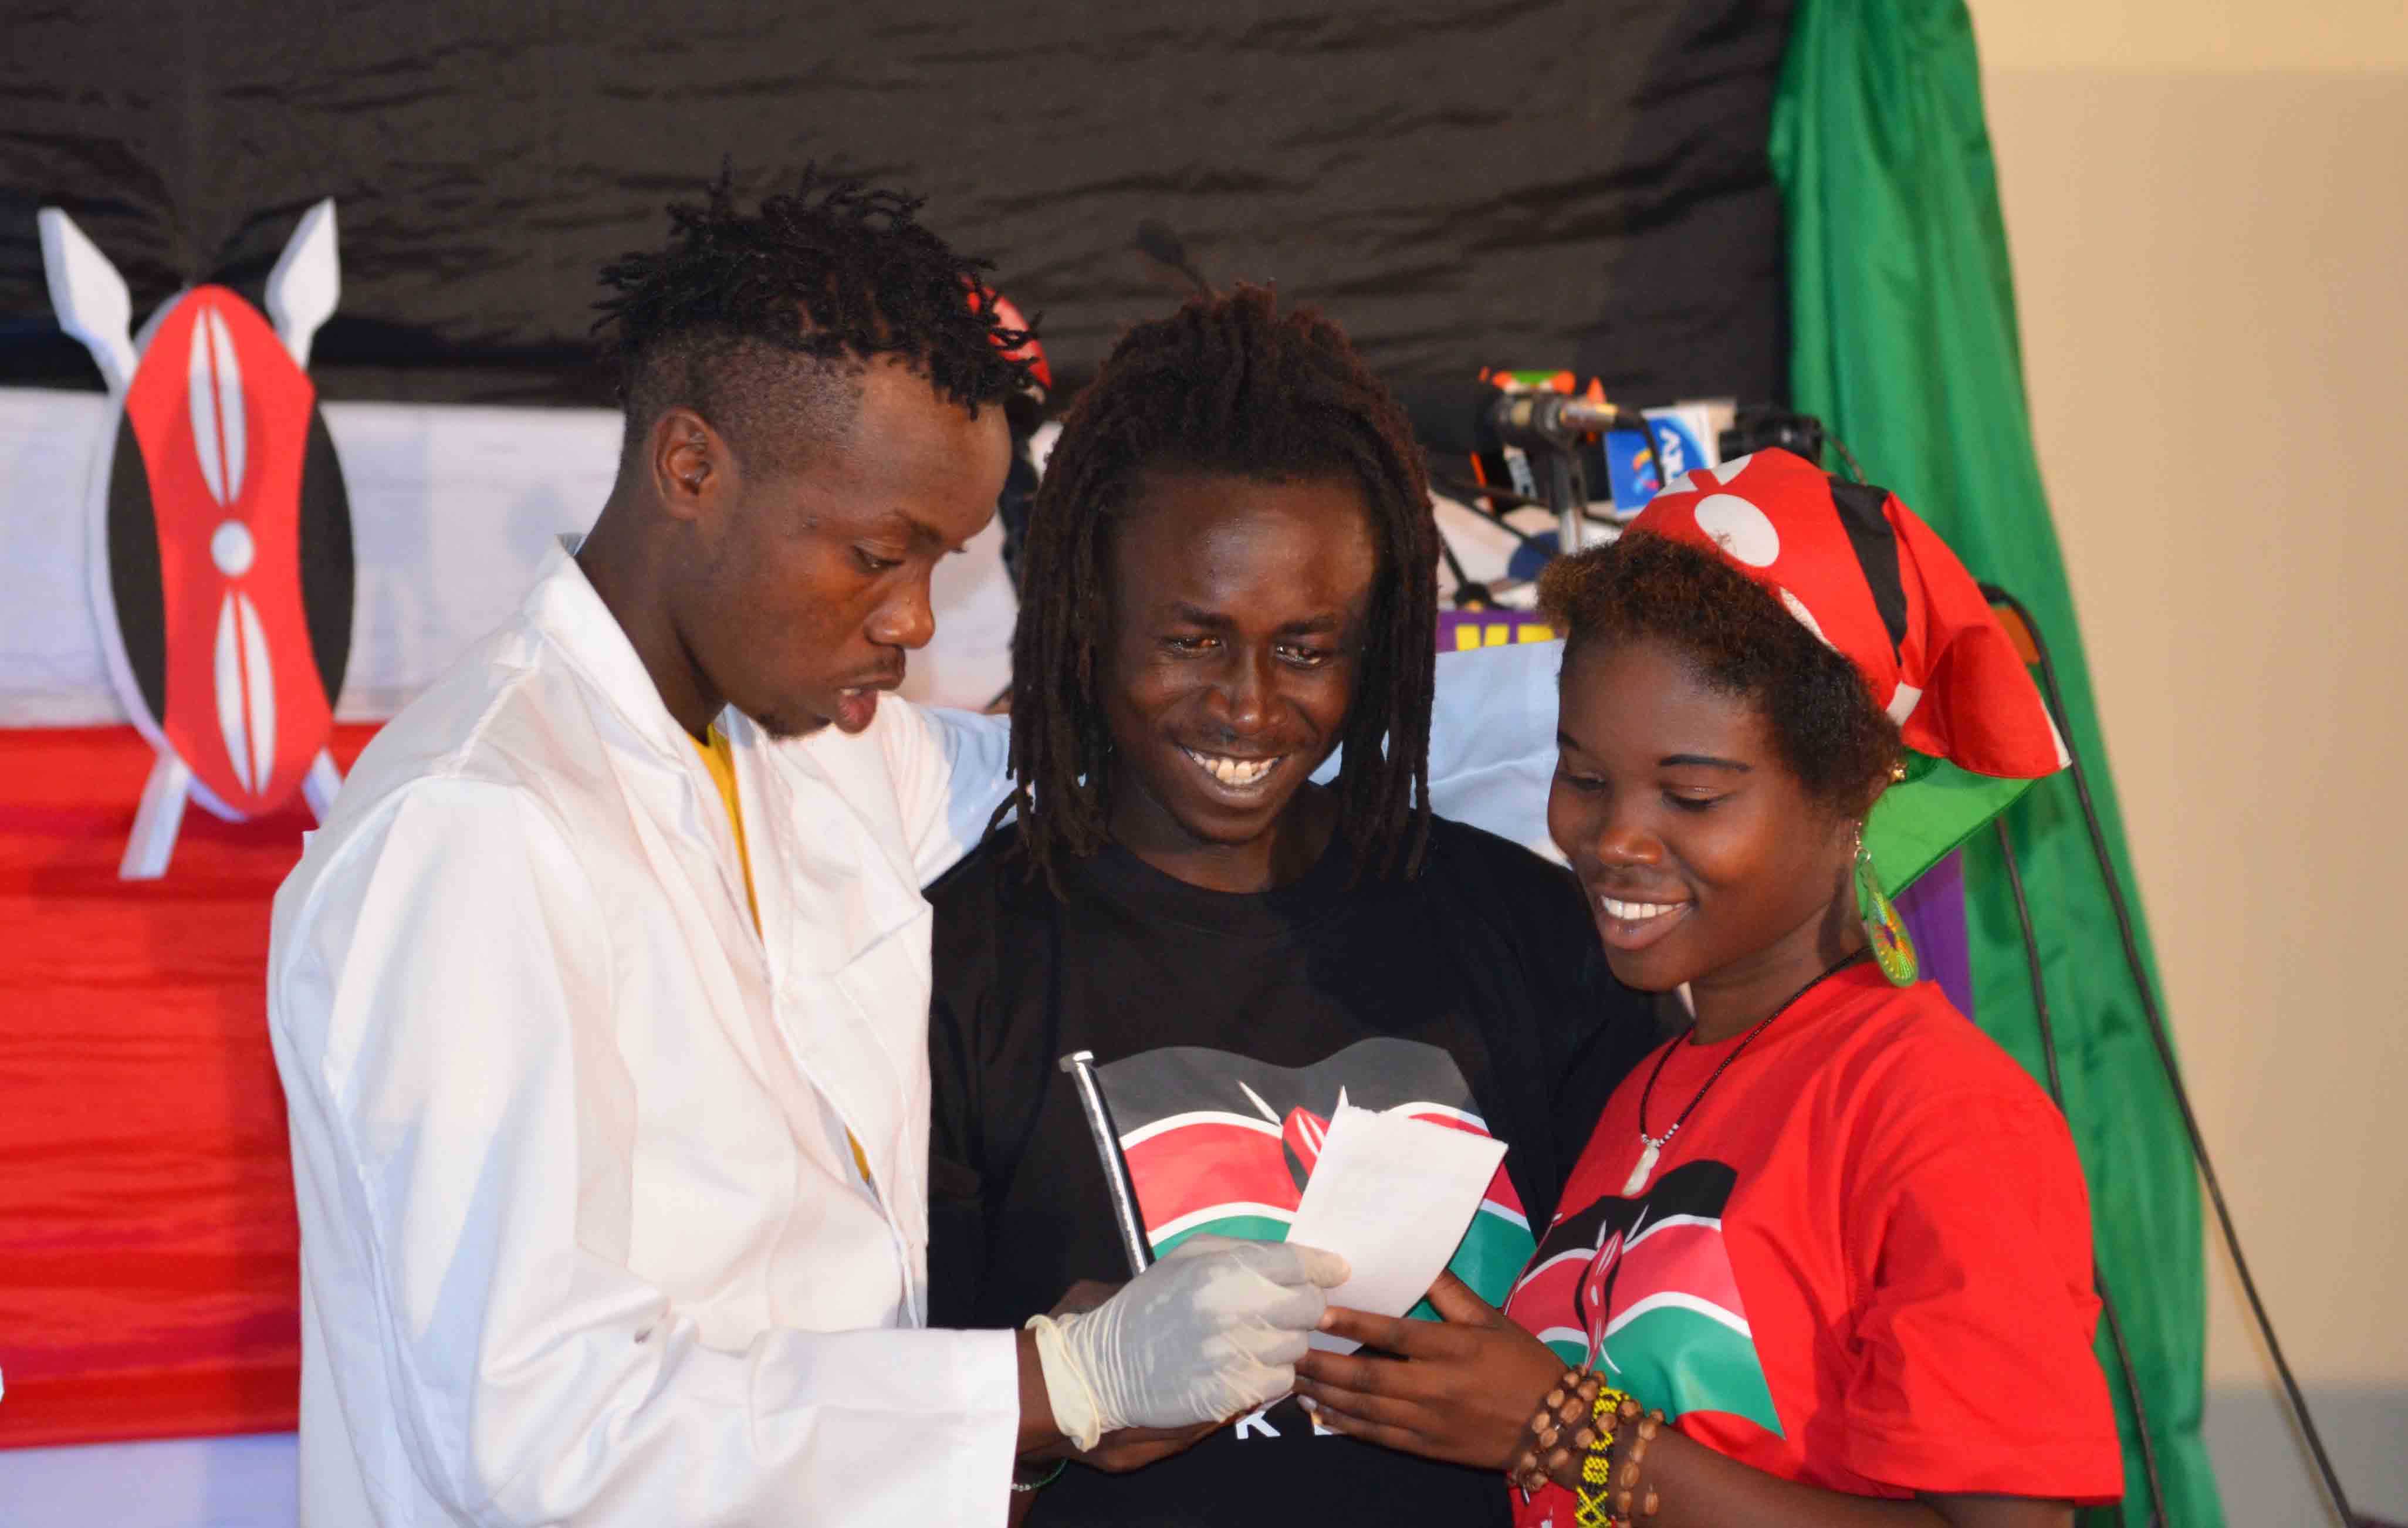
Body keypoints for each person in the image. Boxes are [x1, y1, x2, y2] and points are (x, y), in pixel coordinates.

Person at [265, 173, 1570, 1526]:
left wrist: (1630, 719)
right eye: (879, 555)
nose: (913, 623)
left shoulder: (801, 750)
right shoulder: (474, 831)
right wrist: (1054, 1383)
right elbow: (532, 1431)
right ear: (692, 469)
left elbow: (1172, 746)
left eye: (941, 565)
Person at [924, 286, 1659, 1524]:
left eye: (1308, 648)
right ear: (1087, 623)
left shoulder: (1534, 937)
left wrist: (1552, 1434)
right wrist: (1060, 1415)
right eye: (1196, 641)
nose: (1252, 708)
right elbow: (875, 1457)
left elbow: (1652, 1441)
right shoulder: (955, 966)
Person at [1290, 449, 2126, 1526]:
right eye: (1584, 777)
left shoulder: (1944, 1117)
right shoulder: (1651, 1087)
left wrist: (1565, 1431)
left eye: (1691, 795)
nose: (1615, 838)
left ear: (1854, 790)